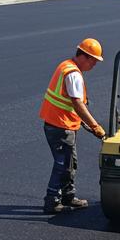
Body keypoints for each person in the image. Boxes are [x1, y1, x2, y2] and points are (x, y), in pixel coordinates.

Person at [40, 38, 107, 213]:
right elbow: (78, 104)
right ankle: (52, 200)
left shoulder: (66, 65)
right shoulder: (73, 74)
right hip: (60, 125)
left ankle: (68, 195)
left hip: (56, 122)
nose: (94, 65)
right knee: (62, 163)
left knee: (69, 161)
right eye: (94, 61)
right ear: (85, 57)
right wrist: (95, 126)